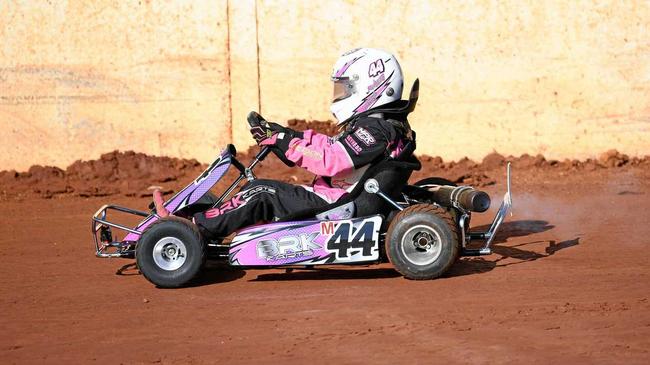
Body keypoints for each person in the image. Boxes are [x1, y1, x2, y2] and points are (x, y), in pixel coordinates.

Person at [154, 48, 414, 239]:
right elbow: (331, 146)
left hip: (339, 204)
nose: (340, 96)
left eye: (345, 89)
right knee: (259, 188)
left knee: (261, 191)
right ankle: (208, 216)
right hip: (340, 196)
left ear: (372, 87)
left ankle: (192, 230)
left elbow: (331, 159)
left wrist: (285, 141)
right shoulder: (379, 126)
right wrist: (284, 136)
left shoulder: (376, 130)